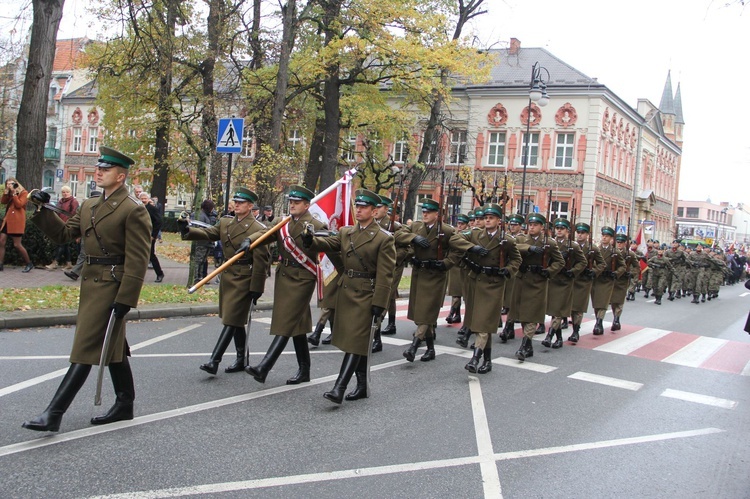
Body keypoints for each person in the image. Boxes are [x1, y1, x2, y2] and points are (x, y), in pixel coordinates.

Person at [23, 146, 151, 432]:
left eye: (105, 170)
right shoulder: (90, 205)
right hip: (91, 282)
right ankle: (125, 403)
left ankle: (53, 413)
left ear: (120, 176)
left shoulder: (133, 209)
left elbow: (138, 258)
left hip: (112, 285)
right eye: (99, 168)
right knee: (111, 343)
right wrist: (42, 208)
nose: (99, 172)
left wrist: (126, 298)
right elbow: (64, 234)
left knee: (86, 346)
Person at [302, 189, 396, 403]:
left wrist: (380, 304)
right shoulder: (347, 233)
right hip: (347, 291)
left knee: (356, 342)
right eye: (358, 206)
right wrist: (310, 240)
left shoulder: (383, 239)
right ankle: (362, 386)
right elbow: (328, 244)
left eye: (364, 207)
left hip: (367, 294)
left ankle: (339, 388)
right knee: (357, 341)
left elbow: (385, 275)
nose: (359, 210)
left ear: (374, 211)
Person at [179, 188, 269, 374]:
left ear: (250, 206)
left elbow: (262, 261)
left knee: (231, 320)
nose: (236, 204)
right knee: (234, 320)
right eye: (235, 201)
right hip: (228, 276)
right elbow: (210, 233)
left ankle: (214, 360)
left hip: (244, 277)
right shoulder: (226, 222)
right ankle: (241, 359)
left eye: (241, 203)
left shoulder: (258, 229)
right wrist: (187, 230)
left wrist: (257, 287)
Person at [245, 185, 327, 385]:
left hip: (303, 278)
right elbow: (265, 234)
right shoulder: (283, 224)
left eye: (297, 203)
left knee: (287, 321)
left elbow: (325, 248)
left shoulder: (317, 225)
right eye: (291, 202)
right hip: (284, 276)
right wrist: (249, 240)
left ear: (307, 205)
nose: (292, 205)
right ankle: (305, 370)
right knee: (296, 324)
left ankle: (264, 367)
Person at [395, 198, 473, 363]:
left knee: (427, 313)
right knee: (422, 313)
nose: (425, 214)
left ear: (437, 214)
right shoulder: (416, 227)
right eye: (423, 211)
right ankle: (430, 349)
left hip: (435, 276)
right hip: (418, 273)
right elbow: (398, 234)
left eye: (428, 212)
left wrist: (446, 263)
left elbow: (458, 250)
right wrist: (413, 238)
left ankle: (414, 347)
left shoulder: (446, 230)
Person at [460, 203, 522, 372]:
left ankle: (475, 358)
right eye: (485, 218)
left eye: (491, 218)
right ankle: (488, 361)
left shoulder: (506, 241)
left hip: (494, 284)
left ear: (499, 221)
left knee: (483, 323)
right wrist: (472, 248)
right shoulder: (475, 235)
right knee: (483, 323)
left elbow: (517, 260)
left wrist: (507, 270)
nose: (487, 220)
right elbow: (455, 240)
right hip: (477, 282)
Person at [511, 213, 565, 361]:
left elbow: (559, 262)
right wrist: (529, 248)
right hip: (522, 281)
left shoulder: (550, 243)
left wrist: (548, 272)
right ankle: (528, 347)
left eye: (535, 225)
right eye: (530, 225)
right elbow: (513, 246)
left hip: (538, 282)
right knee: (522, 315)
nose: (532, 227)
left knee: (532, 315)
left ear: (542, 227)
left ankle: (524, 345)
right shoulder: (521, 239)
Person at [542, 218, 586, 349]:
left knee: (559, 310)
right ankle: (559, 338)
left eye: (562, 228)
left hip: (565, 281)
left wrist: (573, 271)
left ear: (567, 230)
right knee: (555, 311)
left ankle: (549, 336)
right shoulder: (550, 243)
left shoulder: (573, 246)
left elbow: (582, 262)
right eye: (557, 228)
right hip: (553, 280)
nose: (559, 230)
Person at [590, 226, 626, 334]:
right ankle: (598, 319)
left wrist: (615, 273)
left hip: (607, 280)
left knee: (603, 302)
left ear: (611, 238)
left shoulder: (614, 251)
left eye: (607, 236)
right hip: (597, 279)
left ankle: (599, 323)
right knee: (596, 303)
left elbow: (623, 266)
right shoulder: (596, 249)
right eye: (603, 236)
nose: (604, 238)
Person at [1, 178, 33, 272]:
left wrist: (14, 193)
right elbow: (3, 201)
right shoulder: (9, 193)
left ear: (16, 184)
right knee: (1, 241)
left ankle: (29, 263)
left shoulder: (24, 193)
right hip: (7, 220)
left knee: (17, 244)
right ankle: (0, 263)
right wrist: (6, 192)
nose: (10, 186)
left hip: (17, 221)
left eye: (11, 184)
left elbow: (19, 204)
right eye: (8, 184)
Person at [45, 185, 80, 270]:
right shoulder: (60, 201)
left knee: (61, 244)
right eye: (63, 192)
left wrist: (69, 223)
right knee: (64, 245)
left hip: (67, 225)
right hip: (59, 224)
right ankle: (68, 263)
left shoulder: (73, 201)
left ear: (70, 193)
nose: (65, 194)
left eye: (67, 192)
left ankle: (55, 262)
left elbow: (74, 214)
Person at [446, 213, 470, 325]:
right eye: (459, 223)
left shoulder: (468, 235)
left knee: (461, 294)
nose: (460, 226)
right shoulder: (455, 234)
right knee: (455, 293)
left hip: (462, 267)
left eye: (462, 224)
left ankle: (452, 314)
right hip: (454, 267)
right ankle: (457, 315)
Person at [609, 234, 638, 328]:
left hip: (623, 280)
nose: (619, 244)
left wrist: (631, 273)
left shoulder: (630, 254)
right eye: (618, 242)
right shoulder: (612, 252)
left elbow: (637, 267)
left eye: (621, 242)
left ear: (625, 243)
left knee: (620, 300)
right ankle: (615, 315)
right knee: (613, 301)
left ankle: (616, 319)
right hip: (613, 279)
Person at [139, 192, 165, 282]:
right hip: (139, 236)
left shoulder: (152, 209)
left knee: (151, 255)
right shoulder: (136, 208)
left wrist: (153, 235)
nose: (143, 200)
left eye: (145, 198)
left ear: (148, 199)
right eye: (141, 198)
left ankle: (160, 274)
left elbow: (159, 222)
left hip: (149, 236)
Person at [193, 199, 218, 284]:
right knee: (199, 260)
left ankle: (200, 277)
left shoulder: (206, 215)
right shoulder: (201, 216)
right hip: (202, 242)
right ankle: (197, 277)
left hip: (206, 242)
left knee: (202, 261)